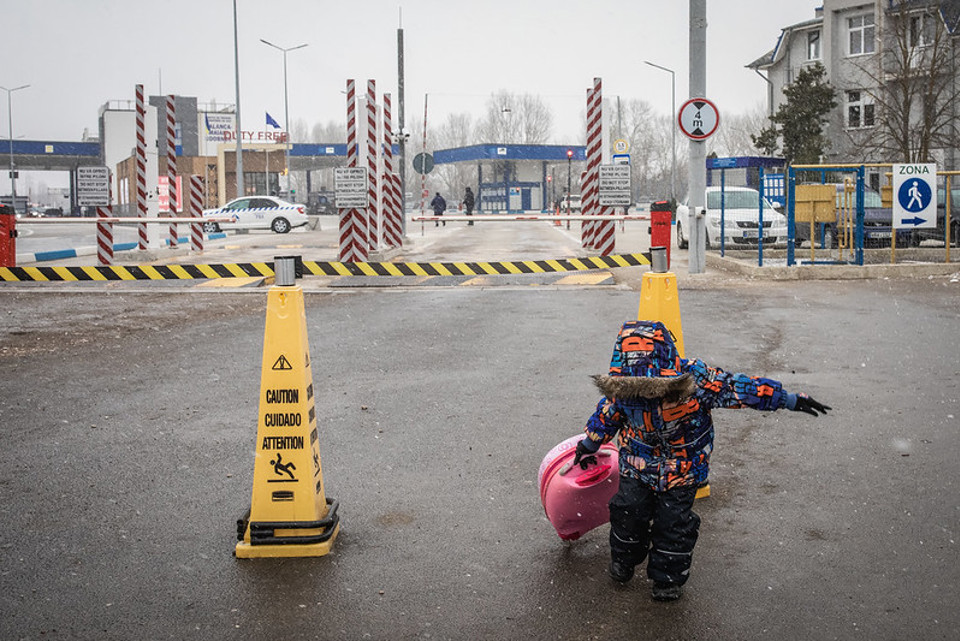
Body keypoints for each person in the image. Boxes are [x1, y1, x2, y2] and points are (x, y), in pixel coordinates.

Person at [573, 320, 830, 602]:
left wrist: (788, 399)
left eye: (655, 388)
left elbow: (737, 389)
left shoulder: (696, 379)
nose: (648, 394)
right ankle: (624, 559)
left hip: (684, 468)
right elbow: (607, 415)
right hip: (636, 464)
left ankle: (666, 578)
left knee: (674, 525)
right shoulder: (622, 388)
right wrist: (589, 443)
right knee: (627, 514)